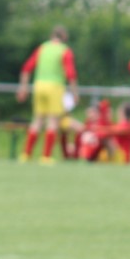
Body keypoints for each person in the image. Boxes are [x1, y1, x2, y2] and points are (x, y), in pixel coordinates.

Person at [16, 26, 78, 164]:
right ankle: (46, 156)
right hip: (55, 87)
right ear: (64, 36)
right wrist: (75, 93)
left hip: (39, 86)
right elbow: (71, 74)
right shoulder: (64, 50)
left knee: (37, 120)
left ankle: (26, 154)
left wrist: (23, 88)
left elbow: (26, 68)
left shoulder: (42, 48)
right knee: (52, 121)